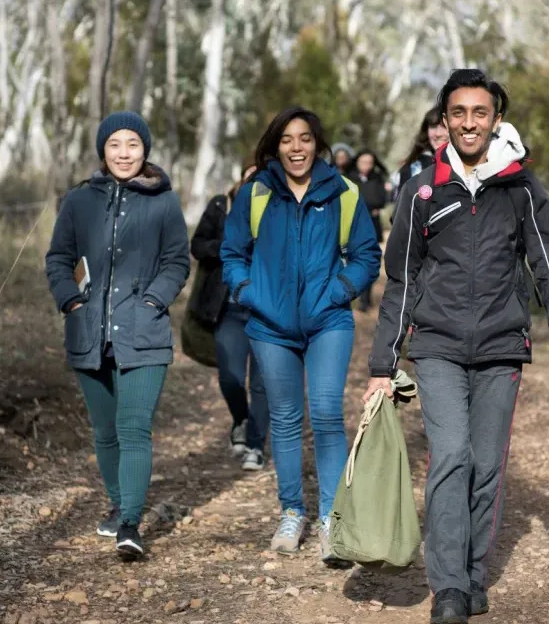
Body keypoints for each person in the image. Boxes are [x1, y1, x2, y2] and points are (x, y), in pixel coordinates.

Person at [364, 69, 549, 624]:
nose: (469, 123)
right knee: (452, 456)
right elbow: (403, 279)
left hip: (500, 347)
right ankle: (449, 589)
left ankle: (472, 572)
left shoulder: (520, 188)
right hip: (436, 344)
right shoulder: (422, 189)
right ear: (444, 120)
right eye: (458, 113)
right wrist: (382, 364)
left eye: (480, 113)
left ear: (495, 118)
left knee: (486, 465)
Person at [221, 107, 382, 566]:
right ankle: (292, 511)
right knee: (287, 419)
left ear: (318, 143)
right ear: (276, 146)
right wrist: (249, 291)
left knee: (328, 412)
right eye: (288, 139)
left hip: (328, 320)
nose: (297, 148)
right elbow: (232, 252)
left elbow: (367, 255)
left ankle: (333, 520)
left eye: (306, 138)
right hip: (270, 326)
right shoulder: (256, 192)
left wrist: (341, 290)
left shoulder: (342, 193)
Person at [45, 111, 190, 560]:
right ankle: (117, 501)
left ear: (145, 150)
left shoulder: (163, 202)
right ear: (102, 150)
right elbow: (58, 259)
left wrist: (153, 301)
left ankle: (130, 522)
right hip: (88, 333)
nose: (124, 153)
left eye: (133, 144)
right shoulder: (77, 202)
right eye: (114, 144)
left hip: (144, 334)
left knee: (133, 428)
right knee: (105, 431)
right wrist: (71, 301)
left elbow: (177, 261)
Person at [189, 165, 270, 471]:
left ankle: (256, 445)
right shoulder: (221, 205)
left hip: (268, 313)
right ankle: (241, 419)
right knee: (230, 377)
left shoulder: (282, 208)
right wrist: (227, 248)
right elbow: (197, 245)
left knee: (262, 383)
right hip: (230, 309)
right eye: (252, 176)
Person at [351, 149, 389, 310]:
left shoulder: (377, 178)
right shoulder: (349, 178)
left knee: (368, 261)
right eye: (363, 162)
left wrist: (367, 203)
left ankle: (365, 300)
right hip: (352, 225)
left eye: (369, 163)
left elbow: (380, 200)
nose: (366, 166)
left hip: (371, 225)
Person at [389, 106, 450, 200]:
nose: (438, 133)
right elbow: (402, 211)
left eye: (444, 127)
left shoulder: (470, 164)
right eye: (433, 126)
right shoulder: (413, 168)